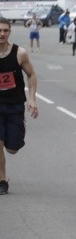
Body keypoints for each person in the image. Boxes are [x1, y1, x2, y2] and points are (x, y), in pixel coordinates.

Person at [0, 16, 39, 195]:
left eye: (5, 30)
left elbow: (31, 75)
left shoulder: (19, 53)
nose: (2, 34)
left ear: (10, 31)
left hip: (15, 105)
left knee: (12, 148)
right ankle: (2, 180)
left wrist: (32, 99)